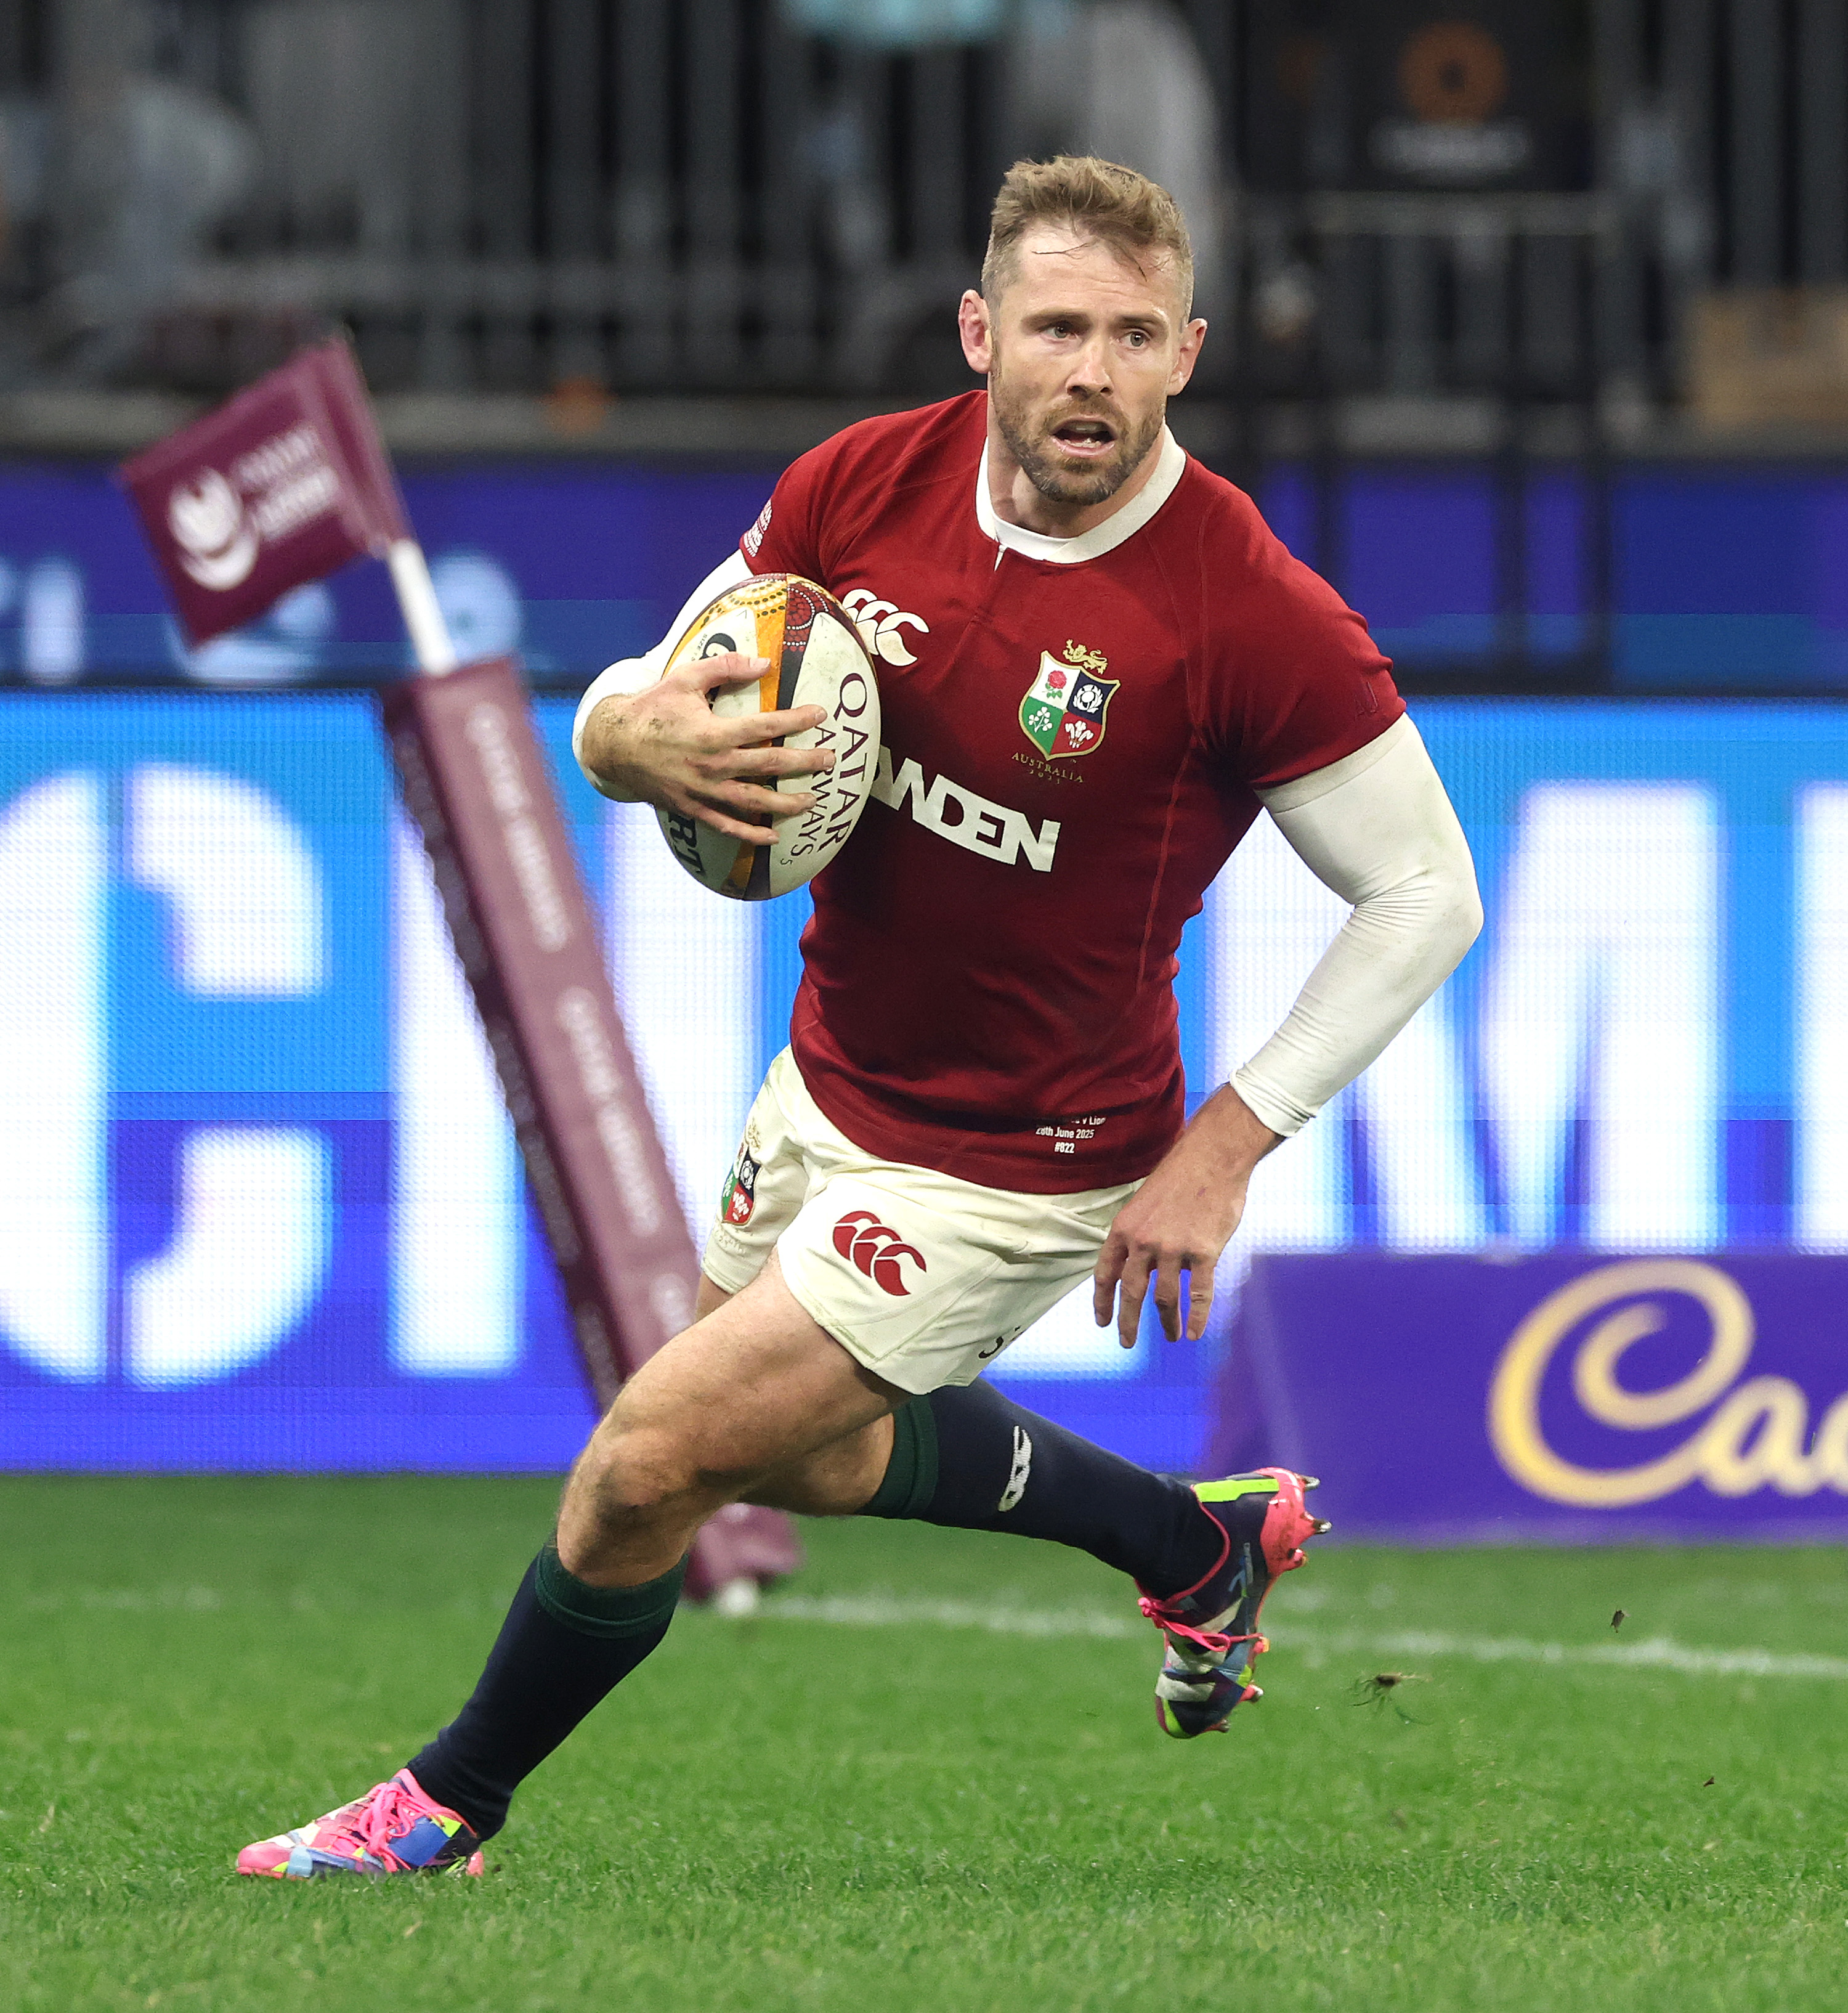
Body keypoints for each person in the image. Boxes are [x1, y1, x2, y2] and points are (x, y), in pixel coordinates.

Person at [237, 155, 1481, 1881]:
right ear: (982, 333)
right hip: (829, 1083)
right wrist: (621, 735)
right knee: (808, 1462)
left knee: (641, 1469)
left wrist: (1228, 1140)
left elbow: (1429, 892)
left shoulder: (1242, 605)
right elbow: (654, 695)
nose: (1092, 373)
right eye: (1056, 327)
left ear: (1188, 352)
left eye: (1133, 335)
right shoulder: (859, 483)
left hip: (1028, 1157)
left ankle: (442, 1805)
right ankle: (1188, 1543)